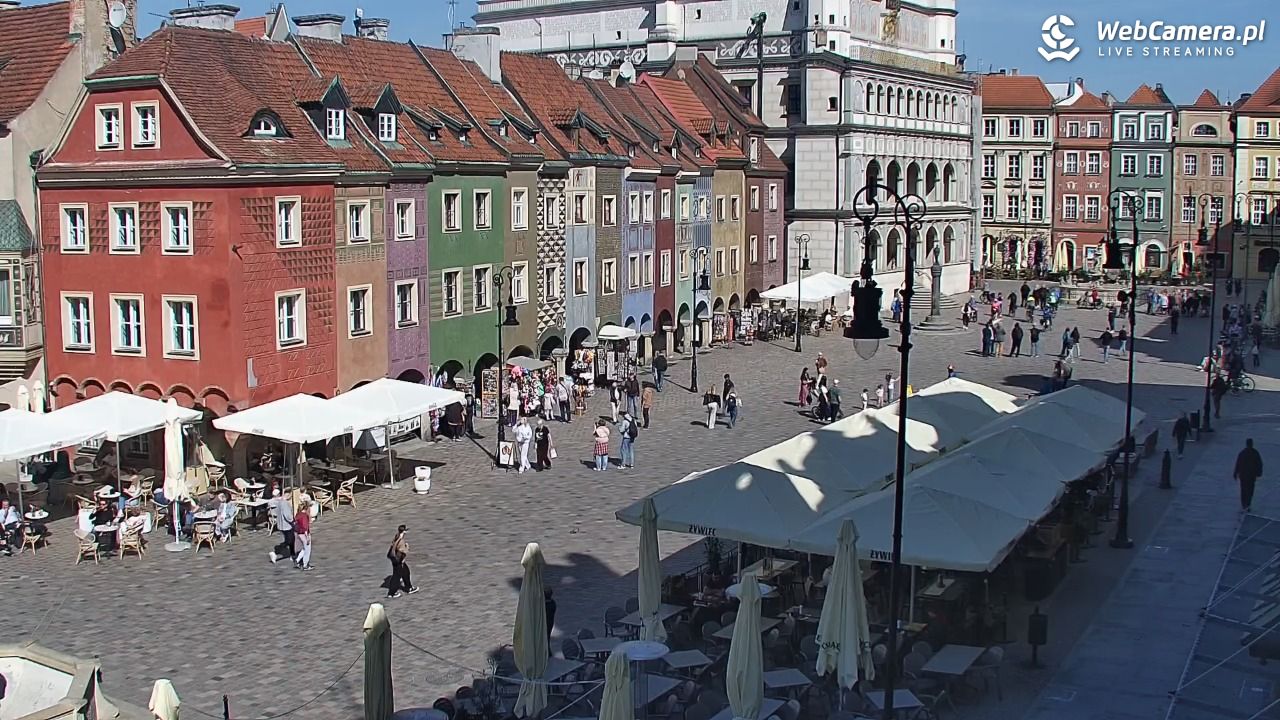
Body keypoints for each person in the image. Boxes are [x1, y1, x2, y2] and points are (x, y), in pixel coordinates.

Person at [385, 525, 419, 598]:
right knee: (396, 577)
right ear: (404, 531)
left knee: (406, 572)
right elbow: (403, 552)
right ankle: (392, 593)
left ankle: (409, 587)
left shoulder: (396, 536)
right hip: (399, 562)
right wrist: (407, 547)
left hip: (395, 560)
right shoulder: (401, 541)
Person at [1235, 438, 1264, 512]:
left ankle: (1244, 504)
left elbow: (1238, 463)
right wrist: (1259, 473)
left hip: (1243, 475)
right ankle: (1248, 503)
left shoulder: (1242, 453)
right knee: (1250, 490)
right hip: (1251, 475)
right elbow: (1259, 463)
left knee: (1243, 490)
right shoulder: (1255, 453)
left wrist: (1236, 473)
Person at [269, 487, 296, 564]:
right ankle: (276, 553)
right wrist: (292, 520)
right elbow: (287, 515)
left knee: (291, 540)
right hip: (286, 525)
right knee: (290, 540)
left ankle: (292, 555)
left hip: (281, 524)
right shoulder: (284, 503)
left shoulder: (279, 501)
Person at [294, 499, 314, 570]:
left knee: (304, 548)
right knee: (307, 549)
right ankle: (305, 565)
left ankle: (297, 560)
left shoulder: (298, 514)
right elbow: (305, 527)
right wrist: (307, 537)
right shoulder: (304, 516)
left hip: (299, 533)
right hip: (304, 534)